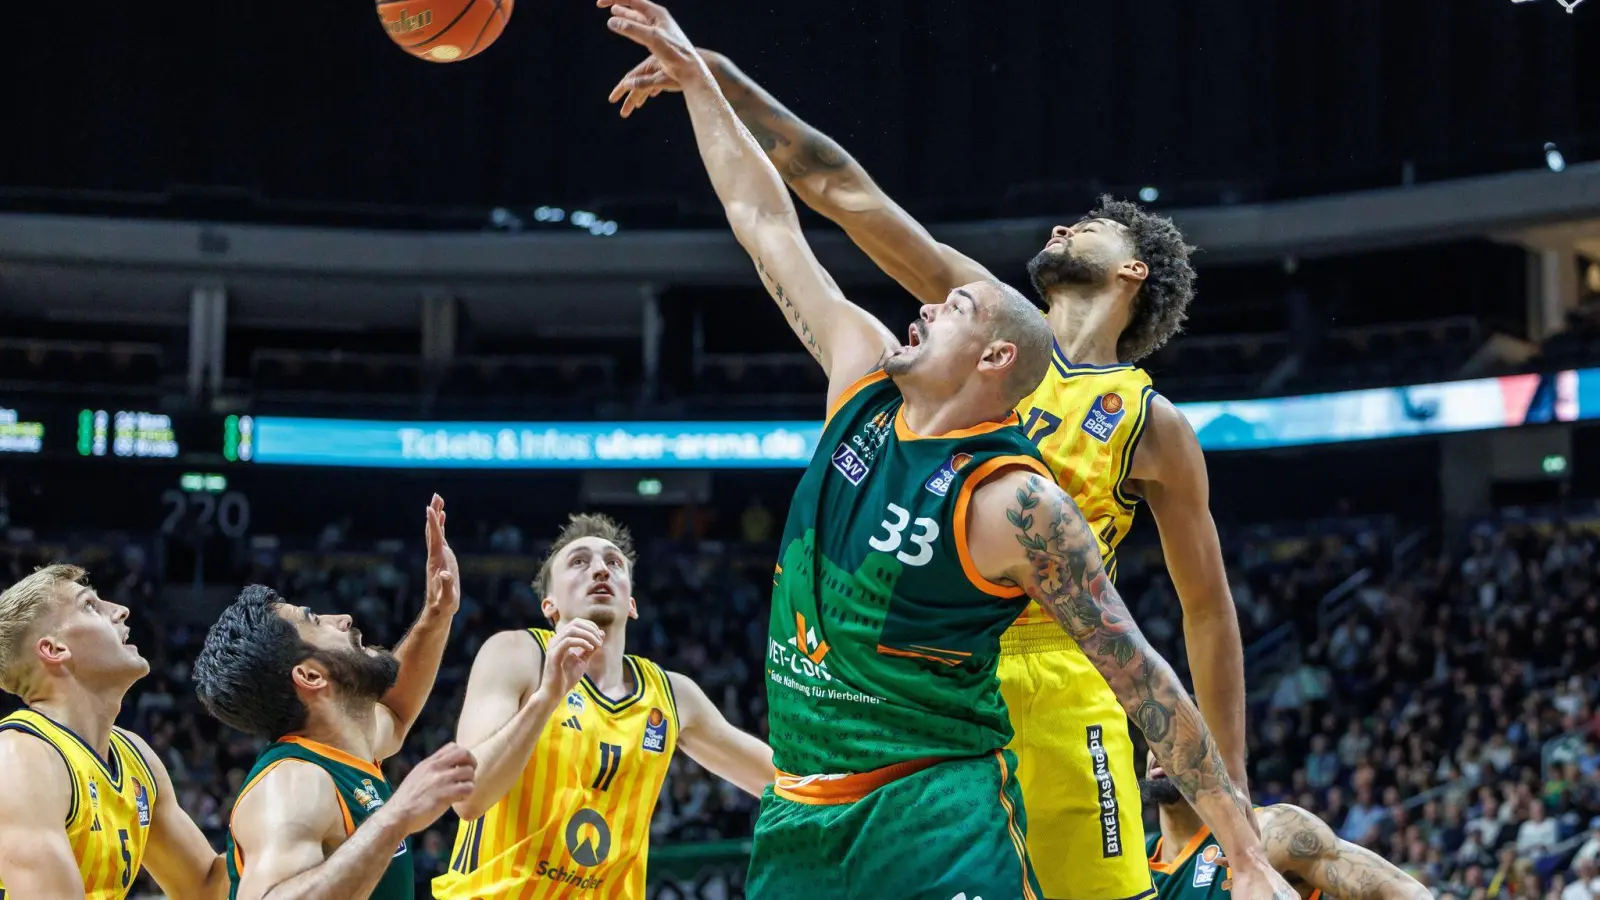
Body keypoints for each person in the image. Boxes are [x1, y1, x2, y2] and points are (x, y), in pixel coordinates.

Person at [599, 3, 1290, 899]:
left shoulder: (1138, 419)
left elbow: (1201, 616)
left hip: (1060, 671)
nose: (1058, 230)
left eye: (1088, 227)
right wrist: (717, 83)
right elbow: (824, 191)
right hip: (939, 680)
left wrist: (1226, 810)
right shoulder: (956, 325)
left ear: (1134, 272)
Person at [432, 512, 773, 900]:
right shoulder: (516, 654)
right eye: (579, 561)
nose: (600, 569)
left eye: (614, 563)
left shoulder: (672, 696)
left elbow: (780, 782)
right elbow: (468, 798)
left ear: (632, 604)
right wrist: (546, 699)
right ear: (549, 605)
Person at [192, 494, 475, 900]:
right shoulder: (294, 782)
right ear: (310, 675)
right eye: (314, 619)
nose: (343, 619)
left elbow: (395, 713)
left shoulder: (344, 748)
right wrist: (397, 816)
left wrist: (437, 612)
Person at [0, 564, 228, 899]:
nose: (121, 610)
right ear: (54, 649)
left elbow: (204, 887)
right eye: (89, 605)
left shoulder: (135, 755)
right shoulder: (21, 759)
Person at [1141, 751, 1430, 900]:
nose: (1160, 747)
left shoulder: (1272, 831)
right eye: (1152, 730)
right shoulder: (1131, 861)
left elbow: (1403, 892)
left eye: (1177, 735)